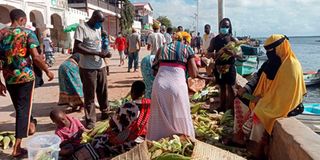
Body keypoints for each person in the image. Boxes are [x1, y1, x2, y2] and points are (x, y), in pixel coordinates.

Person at [233, 34, 306, 158]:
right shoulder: (270, 62)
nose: (268, 54)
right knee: (239, 100)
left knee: (259, 114)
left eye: (270, 51)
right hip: (265, 98)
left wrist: (262, 101)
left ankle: (256, 149)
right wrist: (246, 88)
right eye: (266, 51)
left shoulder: (291, 66)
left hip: (284, 104)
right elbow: (257, 76)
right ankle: (240, 137)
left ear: (280, 48)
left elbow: (285, 96)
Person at [0, 9, 54, 157]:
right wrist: (47, 71)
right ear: (22, 20)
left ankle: (30, 126)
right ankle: (17, 148)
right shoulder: (28, 33)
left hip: (9, 78)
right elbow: (36, 57)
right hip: (25, 78)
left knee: (20, 107)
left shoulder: (2, 34)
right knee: (23, 109)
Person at [147, 32, 198, 141]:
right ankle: (182, 139)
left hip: (160, 84)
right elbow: (194, 73)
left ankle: (157, 140)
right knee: (180, 113)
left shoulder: (161, 48)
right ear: (183, 40)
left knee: (159, 116)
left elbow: (154, 72)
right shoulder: (187, 49)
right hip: (177, 85)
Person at [91, 81, 151, 158]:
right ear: (144, 92)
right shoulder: (149, 104)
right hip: (145, 139)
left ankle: (106, 155)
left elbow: (113, 124)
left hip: (131, 142)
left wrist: (113, 118)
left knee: (97, 140)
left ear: (132, 92)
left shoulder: (128, 106)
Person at [73, 10, 111, 129]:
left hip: (100, 66)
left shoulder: (98, 28)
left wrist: (105, 52)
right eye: (100, 22)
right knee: (89, 95)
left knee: (103, 92)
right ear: (93, 18)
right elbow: (77, 48)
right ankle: (90, 120)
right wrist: (97, 53)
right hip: (88, 68)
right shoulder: (81, 28)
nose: (100, 25)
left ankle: (105, 112)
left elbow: (99, 43)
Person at [208, 18, 238, 112]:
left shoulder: (233, 40)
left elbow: (240, 55)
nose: (224, 28)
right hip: (219, 67)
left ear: (229, 28)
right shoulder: (214, 40)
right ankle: (222, 107)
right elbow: (209, 52)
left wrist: (232, 53)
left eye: (226, 26)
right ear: (219, 27)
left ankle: (232, 109)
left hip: (230, 67)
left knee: (231, 88)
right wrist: (213, 55)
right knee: (222, 88)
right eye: (223, 26)